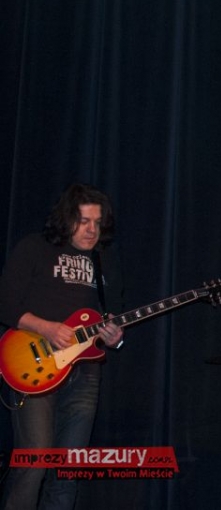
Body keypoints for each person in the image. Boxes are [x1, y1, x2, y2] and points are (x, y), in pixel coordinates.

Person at [0, 183, 125, 509]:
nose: (92, 230)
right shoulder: (34, 248)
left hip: (85, 373)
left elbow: (112, 315)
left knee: (69, 470)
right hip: (36, 362)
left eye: (97, 222)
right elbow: (5, 304)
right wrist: (47, 328)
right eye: (84, 221)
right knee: (35, 460)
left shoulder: (104, 260)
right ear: (66, 219)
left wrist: (116, 337)